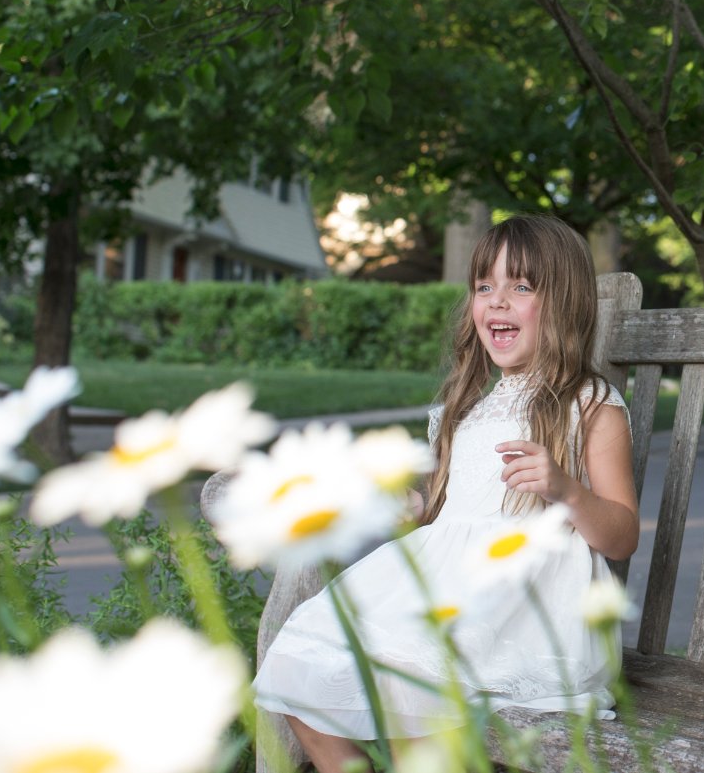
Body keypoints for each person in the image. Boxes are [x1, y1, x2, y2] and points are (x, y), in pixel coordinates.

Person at [252, 215, 639, 773]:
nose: (497, 302)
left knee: (412, 684)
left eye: (521, 287)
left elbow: (622, 536)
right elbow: (441, 512)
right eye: (485, 286)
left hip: (519, 603)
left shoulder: (588, 404)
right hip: (446, 588)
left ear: (564, 303)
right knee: (298, 660)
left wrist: (567, 491)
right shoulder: (465, 412)